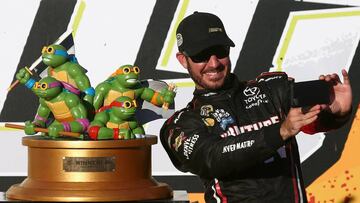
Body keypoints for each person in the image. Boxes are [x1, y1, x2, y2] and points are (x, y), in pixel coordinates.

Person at [160, 11, 353, 202]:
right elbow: (212, 158)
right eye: (201, 55)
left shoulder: (273, 89)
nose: (214, 63)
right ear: (183, 60)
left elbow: (315, 121)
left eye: (220, 51)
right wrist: (280, 131)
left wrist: (337, 110)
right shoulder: (180, 125)